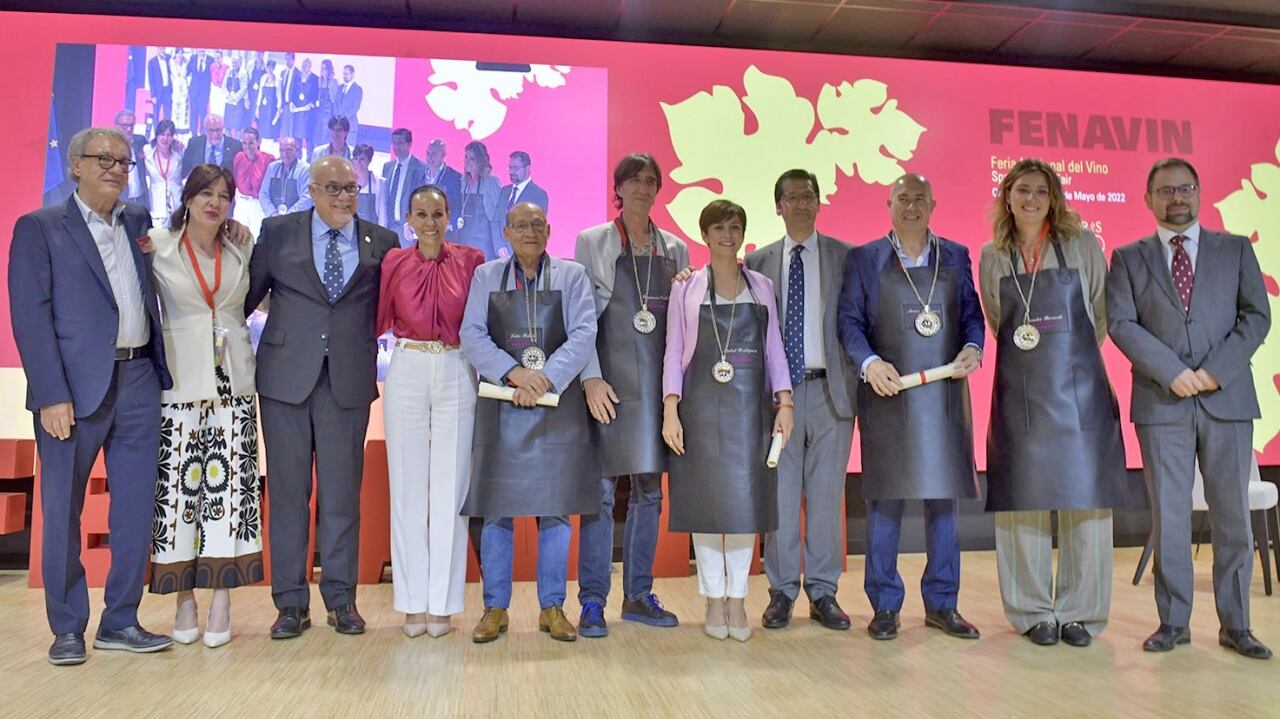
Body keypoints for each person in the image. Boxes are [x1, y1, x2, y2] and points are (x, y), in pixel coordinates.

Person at [9, 127, 174, 665]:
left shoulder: (137, 222)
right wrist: (51, 394)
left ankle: (121, 620)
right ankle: (67, 628)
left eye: (124, 161)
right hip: (71, 395)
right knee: (63, 511)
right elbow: (30, 318)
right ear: (75, 165)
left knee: (133, 511)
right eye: (103, 159)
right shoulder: (40, 227)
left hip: (139, 383)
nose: (116, 168)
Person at [1107, 158, 1273, 659]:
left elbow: (1256, 316)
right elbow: (1120, 322)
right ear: (1148, 199)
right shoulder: (1128, 257)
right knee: (1171, 519)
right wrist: (1171, 371)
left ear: (1199, 192)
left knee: (1233, 520)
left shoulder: (1235, 249)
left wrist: (1214, 371)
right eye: (1164, 190)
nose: (1175, 198)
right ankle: (1173, 622)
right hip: (1163, 403)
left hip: (1227, 399)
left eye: (1184, 188)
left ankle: (1237, 625)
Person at [245, 156, 399, 639]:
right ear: (311, 190)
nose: (343, 197)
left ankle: (341, 599)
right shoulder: (277, 231)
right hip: (285, 382)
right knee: (289, 496)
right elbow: (245, 296)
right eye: (333, 188)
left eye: (351, 188)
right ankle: (290, 603)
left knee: (340, 498)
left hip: (348, 384)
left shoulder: (383, 241)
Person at [979, 158, 1128, 648]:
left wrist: (1070, 364)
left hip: (1079, 394)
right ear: (1007, 195)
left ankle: (1081, 612)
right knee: (1022, 504)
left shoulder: (1083, 246)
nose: (1031, 199)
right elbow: (1001, 319)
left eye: (1041, 191)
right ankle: (1032, 612)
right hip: (1019, 397)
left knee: (1086, 505)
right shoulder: (992, 255)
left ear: (1054, 198)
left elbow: (1100, 316)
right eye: (1022, 190)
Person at [836, 173, 985, 641]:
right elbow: (849, 322)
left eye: (920, 198)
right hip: (887, 395)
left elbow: (971, 317)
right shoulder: (864, 259)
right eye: (904, 198)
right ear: (889, 204)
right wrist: (869, 362)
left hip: (942, 397)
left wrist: (974, 348)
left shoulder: (956, 256)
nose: (912, 207)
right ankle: (884, 606)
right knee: (885, 503)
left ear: (934, 203)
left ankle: (943, 603)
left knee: (944, 504)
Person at [459, 202, 599, 644]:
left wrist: (545, 379)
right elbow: (471, 335)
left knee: (555, 508)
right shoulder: (487, 276)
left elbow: (583, 333)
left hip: (557, 406)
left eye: (538, 224)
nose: (530, 232)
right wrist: (515, 374)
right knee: (498, 507)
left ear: (550, 230)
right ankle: (495, 607)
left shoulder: (572, 276)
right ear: (506, 232)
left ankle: (552, 607)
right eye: (521, 225)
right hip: (504, 401)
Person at [662, 199, 793, 642]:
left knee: (744, 507)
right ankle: (712, 598)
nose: (727, 234)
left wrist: (785, 403)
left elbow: (775, 347)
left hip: (749, 413)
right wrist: (670, 410)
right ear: (704, 234)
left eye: (735, 226)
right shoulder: (686, 287)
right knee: (705, 506)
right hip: (698, 408)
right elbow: (673, 351)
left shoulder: (761, 285)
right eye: (718, 227)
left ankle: (738, 600)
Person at [573, 154, 688, 638]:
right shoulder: (593, 241)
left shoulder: (676, 249)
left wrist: (673, 399)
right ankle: (593, 601)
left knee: (649, 494)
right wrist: (590, 379)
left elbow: (682, 328)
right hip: (607, 384)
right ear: (617, 188)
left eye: (650, 181)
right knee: (599, 495)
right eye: (633, 181)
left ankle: (638, 594)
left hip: (656, 390)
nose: (642, 188)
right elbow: (581, 319)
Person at [147, 163, 261, 649]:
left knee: (232, 494)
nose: (215, 203)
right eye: (205, 194)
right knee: (179, 497)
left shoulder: (242, 245)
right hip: (179, 384)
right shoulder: (157, 246)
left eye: (223, 195)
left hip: (234, 383)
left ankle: (222, 599)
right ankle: (183, 599)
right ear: (187, 198)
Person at [745, 169, 858, 631]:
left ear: (818, 202)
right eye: (792, 197)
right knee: (781, 498)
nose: (801, 204)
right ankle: (782, 590)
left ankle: (824, 591)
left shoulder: (847, 257)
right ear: (778, 206)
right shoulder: (757, 262)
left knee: (828, 497)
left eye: (809, 196)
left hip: (832, 391)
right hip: (779, 399)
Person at [377, 185, 485, 638]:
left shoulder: (472, 260)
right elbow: (377, 318)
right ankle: (411, 603)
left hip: (457, 369)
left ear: (449, 215)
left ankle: (442, 603)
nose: (429, 222)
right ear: (408, 217)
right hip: (407, 365)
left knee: (450, 490)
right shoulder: (394, 263)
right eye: (421, 214)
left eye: (437, 213)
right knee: (406, 488)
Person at [456, 141, 505, 260]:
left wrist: (501, 244)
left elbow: (500, 214)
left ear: (481, 161)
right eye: (466, 157)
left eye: (472, 159)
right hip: (464, 240)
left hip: (484, 242)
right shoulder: (463, 181)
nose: (467, 161)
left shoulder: (490, 181)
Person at [382, 128, 426, 240]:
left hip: (407, 230)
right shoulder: (387, 167)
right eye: (394, 143)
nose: (396, 147)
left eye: (400, 143)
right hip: (387, 227)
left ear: (410, 144)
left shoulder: (420, 168)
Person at [232, 127, 273, 235]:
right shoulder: (238, 157)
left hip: (258, 204)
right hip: (241, 202)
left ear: (258, 142)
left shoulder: (268, 159)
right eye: (244, 143)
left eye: (251, 143)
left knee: (257, 235)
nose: (247, 147)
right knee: (238, 237)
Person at [257, 137, 311, 219]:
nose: (285, 154)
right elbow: (263, 194)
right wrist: (272, 213)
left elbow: (307, 198)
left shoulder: (305, 169)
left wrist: (288, 217)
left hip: (296, 220)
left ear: (297, 150)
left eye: (289, 150)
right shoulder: (273, 167)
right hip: (274, 219)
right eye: (281, 150)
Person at [143, 120, 184, 227]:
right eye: (162, 134)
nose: (165, 138)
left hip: (176, 202)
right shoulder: (148, 153)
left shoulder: (179, 153)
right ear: (157, 135)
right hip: (156, 203)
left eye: (169, 135)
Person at [181, 114, 242, 179]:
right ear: (205, 129)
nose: (215, 134)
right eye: (211, 130)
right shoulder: (194, 144)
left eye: (218, 130)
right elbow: (184, 171)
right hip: (200, 187)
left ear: (223, 128)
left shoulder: (235, 146)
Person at [424, 139, 463, 235]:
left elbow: (458, 206)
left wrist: (449, 224)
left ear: (443, 155)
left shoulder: (454, 177)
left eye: (434, 153)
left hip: (443, 234)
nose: (429, 157)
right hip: (422, 233)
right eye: (428, 153)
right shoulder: (418, 174)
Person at [114, 109, 149, 207]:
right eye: (125, 125)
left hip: (140, 199)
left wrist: (175, 143)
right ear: (116, 126)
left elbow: (156, 147)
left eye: (131, 125)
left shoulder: (140, 140)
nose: (129, 129)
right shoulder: (110, 145)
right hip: (119, 199)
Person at [310, 59, 337, 154]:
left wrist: (327, 81)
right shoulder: (318, 81)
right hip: (318, 114)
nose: (322, 71)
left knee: (324, 138)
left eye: (324, 69)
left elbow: (334, 100)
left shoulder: (333, 82)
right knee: (316, 138)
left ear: (329, 70)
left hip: (327, 114)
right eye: (321, 68)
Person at [352, 143, 383, 225]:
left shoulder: (379, 183)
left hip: (371, 231)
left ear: (369, 160)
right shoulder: (346, 182)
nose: (358, 162)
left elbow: (383, 215)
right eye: (356, 158)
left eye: (362, 159)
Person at [335, 65, 363, 145]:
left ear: (352, 75)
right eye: (343, 74)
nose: (344, 76)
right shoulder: (340, 87)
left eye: (347, 74)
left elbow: (355, 107)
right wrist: (337, 117)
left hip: (350, 126)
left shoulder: (357, 89)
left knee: (349, 151)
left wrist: (343, 118)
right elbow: (336, 103)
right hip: (338, 126)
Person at [187, 50, 213, 135]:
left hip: (204, 93)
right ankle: (193, 133)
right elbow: (187, 71)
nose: (201, 52)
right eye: (200, 50)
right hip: (194, 91)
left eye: (203, 51)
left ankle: (202, 134)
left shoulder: (210, 59)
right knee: (193, 113)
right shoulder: (193, 58)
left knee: (203, 114)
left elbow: (212, 75)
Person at [222, 55, 249, 136]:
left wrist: (235, 98)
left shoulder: (243, 73)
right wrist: (227, 95)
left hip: (238, 102)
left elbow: (244, 88)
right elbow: (224, 85)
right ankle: (227, 139)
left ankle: (237, 142)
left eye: (236, 62)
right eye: (233, 62)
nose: (234, 64)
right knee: (227, 123)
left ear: (240, 63)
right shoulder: (228, 72)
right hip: (229, 101)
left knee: (238, 125)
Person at [254, 60, 280, 140]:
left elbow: (279, 96)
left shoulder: (277, 80)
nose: (270, 70)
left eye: (272, 68)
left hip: (271, 108)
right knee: (261, 130)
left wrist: (278, 110)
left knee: (269, 131)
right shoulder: (263, 78)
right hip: (263, 108)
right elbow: (260, 94)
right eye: (268, 67)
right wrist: (257, 108)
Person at [147, 47, 173, 123]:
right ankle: (156, 132)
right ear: (157, 50)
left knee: (168, 112)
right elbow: (151, 80)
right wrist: (153, 95)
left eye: (164, 49)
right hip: (157, 92)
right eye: (161, 49)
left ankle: (167, 130)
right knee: (156, 114)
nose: (162, 51)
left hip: (167, 91)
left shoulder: (168, 58)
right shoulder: (152, 62)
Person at [171, 49, 191, 134]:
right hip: (175, 89)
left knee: (183, 109)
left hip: (183, 90)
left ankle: (182, 128)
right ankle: (175, 127)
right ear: (175, 55)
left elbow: (188, 76)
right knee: (175, 109)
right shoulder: (171, 64)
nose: (179, 55)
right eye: (178, 54)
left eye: (181, 54)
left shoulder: (185, 65)